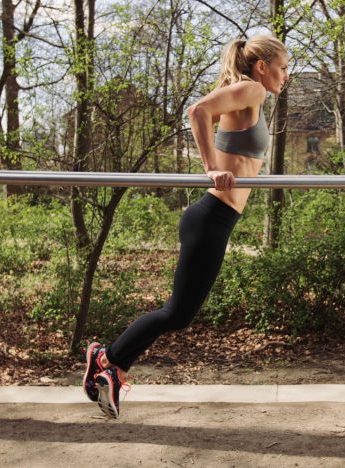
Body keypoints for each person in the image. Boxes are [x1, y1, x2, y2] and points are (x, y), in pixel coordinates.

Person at [83, 35, 289, 419]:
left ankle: (112, 370)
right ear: (262, 66)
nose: (286, 75)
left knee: (179, 313)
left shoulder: (250, 94)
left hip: (218, 219)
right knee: (177, 313)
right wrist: (210, 167)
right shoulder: (252, 89)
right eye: (283, 66)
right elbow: (197, 111)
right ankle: (104, 356)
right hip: (211, 215)